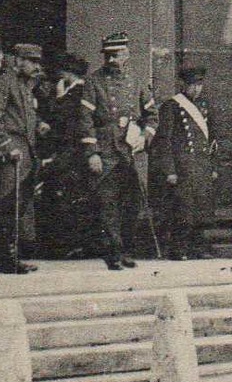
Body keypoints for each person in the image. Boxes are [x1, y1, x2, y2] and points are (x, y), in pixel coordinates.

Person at [87, 31, 158, 267]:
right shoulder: (94, 81)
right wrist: (92, 153)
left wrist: (144, 136)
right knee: (108, 205)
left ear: (125, 56)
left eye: (116, 55)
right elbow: (84, 120)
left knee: (132, 204)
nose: (111, 60)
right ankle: (113, 253)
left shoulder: (136, 81)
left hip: (130, 152)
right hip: (106, 151)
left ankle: (126, 249)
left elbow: (151, 115)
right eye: (109, 56)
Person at [0, 42, 44, 274]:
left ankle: (11, 254)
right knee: (7, 202)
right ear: (18, 60)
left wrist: (38, 126)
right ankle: (3, 256)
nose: (36, 66)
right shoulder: (4, 82)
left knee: (19, 203)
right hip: (12, 149)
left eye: (37, 62)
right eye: (31, 61)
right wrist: (6, 146)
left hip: (26, 147)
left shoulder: (25, 85)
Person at [151, 63, 219, 260]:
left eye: (199, 85)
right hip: (183, 167)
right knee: (183, 210)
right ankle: (178, 248)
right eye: (192, 85)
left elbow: (212, 139)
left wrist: (213, 165)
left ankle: (198, 247)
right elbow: (164, 141)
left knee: (201, 208)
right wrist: (169, 170)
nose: (196, 89)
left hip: (201, 166)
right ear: (183, 85)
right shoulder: (171, 106)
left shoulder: (204, 106)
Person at [35, 53, 99, 259]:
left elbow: (69, 126)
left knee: (64, 198)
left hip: (70, 154)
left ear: (68, 74)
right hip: (71, 154)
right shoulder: (76, 91)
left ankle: (65, 245)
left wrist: (59, 99)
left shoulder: (75, 94)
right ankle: (68, 244)